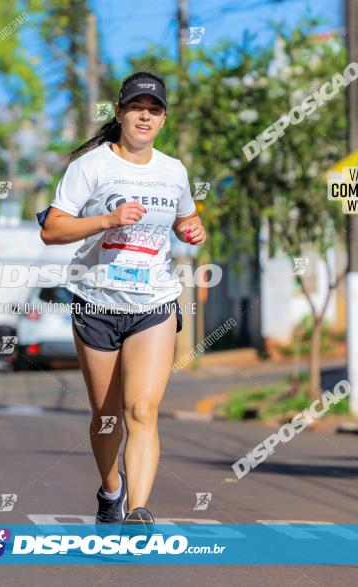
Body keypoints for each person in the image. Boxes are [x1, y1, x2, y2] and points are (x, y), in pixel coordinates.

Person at [39, 72, 207, 532]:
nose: (145, 116)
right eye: (137, 108)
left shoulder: (173, 171)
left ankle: (138, 509)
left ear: (163, 118)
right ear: (120, 113)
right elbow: (52, 230)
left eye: (154, 109)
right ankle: (110, 488)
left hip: (153, 302)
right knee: (107, 415)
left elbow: (187, 219)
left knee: (142, 410)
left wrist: (193, 230)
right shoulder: (92, 166)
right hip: (96, 302)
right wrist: (106, 220)